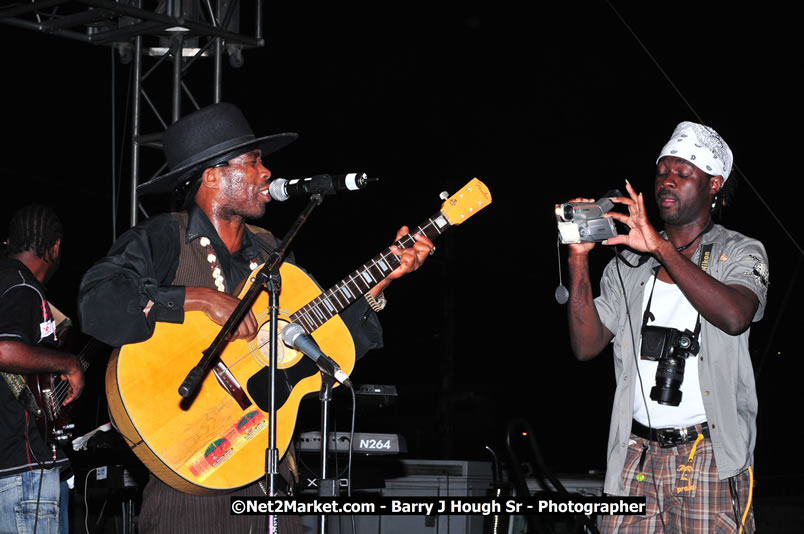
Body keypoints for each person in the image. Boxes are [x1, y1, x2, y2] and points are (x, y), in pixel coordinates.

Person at [77, 102, 434, 533]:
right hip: (187, 487)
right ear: (212, 175)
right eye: (252, 161)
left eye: (262, 161)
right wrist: (197, 298)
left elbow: (326, 349)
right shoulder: (161, 238)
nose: (266, 173)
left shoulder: (271, 252)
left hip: (268, 482)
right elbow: (98, 303)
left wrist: (382, 280)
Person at [565, 121, 768, 533]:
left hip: (708, 455)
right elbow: (586, 346)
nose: (667, 182)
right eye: (661, 172)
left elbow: (735, 316)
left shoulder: (740, 251)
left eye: (682, 173)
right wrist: (579, 259)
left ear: (714, 184)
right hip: (635, 454)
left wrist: (660, 246)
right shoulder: (629, 264)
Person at [0, 203, 85, 534]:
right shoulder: (21, 286)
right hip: (25, 475)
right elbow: (4, 349)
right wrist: (68, 362)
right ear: (56, 247)